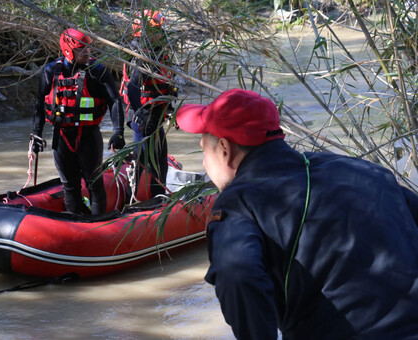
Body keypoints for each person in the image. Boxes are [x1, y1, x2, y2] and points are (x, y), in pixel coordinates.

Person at [175, 88, 418, 339]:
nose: (203, 163)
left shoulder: (238, 204)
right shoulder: (365, 172)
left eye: (204, 149)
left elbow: (238, 274)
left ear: (224, 149)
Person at [31, 28, 125, 215]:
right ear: (68, 50)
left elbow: (115, 101)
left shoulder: (98, 71)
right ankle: (75, 225)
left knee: (94, 184)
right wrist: (36, 133)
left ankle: (99, 226)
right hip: (62, 138)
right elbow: (40, 102)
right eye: (82, 49)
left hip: (88, 137)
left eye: (88, 48)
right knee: (70, 187)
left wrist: (118, 131)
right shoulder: (50, 71)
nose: (88, 52)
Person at [120, 9, 176, 198]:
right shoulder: (144, 56)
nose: (162, 34)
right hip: (146, 118)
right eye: (158, 31)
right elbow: (133, 88)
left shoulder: (155, 53)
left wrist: (170, 111)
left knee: (150, 162)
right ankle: (146, 203)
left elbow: (164, 88)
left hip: (153, 117)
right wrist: (141, 117)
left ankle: (144, 200)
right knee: (150, 164)